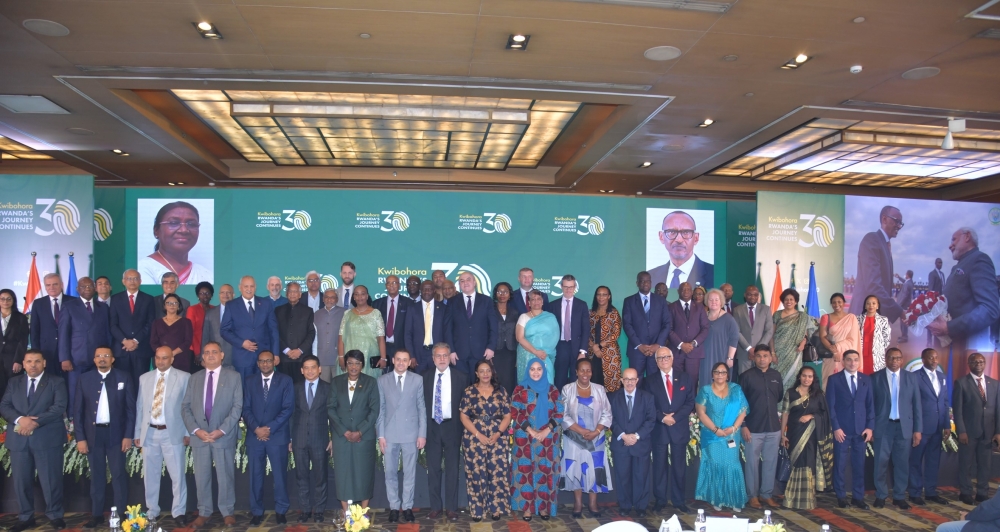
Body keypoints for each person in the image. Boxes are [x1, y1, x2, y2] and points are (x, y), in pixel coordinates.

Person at [0, 350, 68, 532]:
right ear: (23, 363)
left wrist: (34, 423)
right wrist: (20, 420)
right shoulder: (14, 382)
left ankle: (55, 514)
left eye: (37, 361)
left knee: (51, 480)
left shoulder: (56, 382)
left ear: (44, 363)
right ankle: (25, 516)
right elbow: (4, 406)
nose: (33, 365)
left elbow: (59, 406)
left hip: (47, 438)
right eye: (29, 361)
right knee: (21, 481)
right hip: (19, 440)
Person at [182, 341, 243, 527]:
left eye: (214, 352)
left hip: (223, 435)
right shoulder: (194, 378)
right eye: (206, 352)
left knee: (225, 476)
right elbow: (185, 407)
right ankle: (204, 512)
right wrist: (196, 430)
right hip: (200, 436)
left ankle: (227, 511)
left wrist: (221, 430)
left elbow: (237, 406)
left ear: (222, 355)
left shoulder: (233, 377)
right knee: (202, 477)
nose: (210, 355)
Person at [73, 346, 135, 528]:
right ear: (94, 360)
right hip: (93, 435)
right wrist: (80, 438)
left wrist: (128, 435)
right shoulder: (84, 379)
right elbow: (78, 412)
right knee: (97, 476)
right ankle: (97, 514)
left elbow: (131, 410)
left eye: (106, 356)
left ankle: (122, 513)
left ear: (112, 359)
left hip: (116, 434)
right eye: (98, 356)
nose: (102, 359)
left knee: (118, 475)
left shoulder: (123, 377)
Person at [135, 346, 191, 526]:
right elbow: (140, 408)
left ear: (172, 359)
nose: (160, 361)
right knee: (150, 475)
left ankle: (178, 511)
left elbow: (187, 408)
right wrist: (138, 432)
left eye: (165, 358)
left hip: (172, 432)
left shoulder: (183, 377)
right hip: (149, 432)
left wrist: (186, 432)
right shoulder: (145, 378)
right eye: (158, 358)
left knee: (177, 476)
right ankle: (152, 510)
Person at [929, 228, 1000, 362]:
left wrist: (950, 327)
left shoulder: (979, 259)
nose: (950, 245)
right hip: (953, 345)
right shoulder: (962, 263)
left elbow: (990, 309)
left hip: (967, 348)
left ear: (967, 236)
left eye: (954, 239)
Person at [243, 350, 294, 525]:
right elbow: (246, 408)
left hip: (277, 435)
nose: (265, 364)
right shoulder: (249, 381)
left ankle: (281, 510)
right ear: (257, 363)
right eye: (262, 361)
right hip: (255, 436)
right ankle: (256, 511)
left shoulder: (285, 381)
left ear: (274, 362)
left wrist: (269, 428)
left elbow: (288, 408)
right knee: (255, 476)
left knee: (280, 476)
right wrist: (257, 429)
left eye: (268, 361)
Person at [327, 349, 380, 513]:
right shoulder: (336, 382)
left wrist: (360, 431)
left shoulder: (371, 382)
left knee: (363, 473)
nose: (353, 367)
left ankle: (363, 512)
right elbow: (330, 408)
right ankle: (347, 512)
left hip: (363, 437)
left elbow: (374, 411)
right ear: (345, 365)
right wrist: (344, 431)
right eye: (350, 363)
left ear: (362, 365)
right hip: (341, 437)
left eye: (357, 363)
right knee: (343, 474)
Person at [376, 349, 426, 523]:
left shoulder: (417, 380)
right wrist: (380, 435)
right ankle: (394, 507)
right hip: (389, 434)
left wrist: (422, 434)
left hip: (411, 433)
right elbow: (380, 410)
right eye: (398, 359)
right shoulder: (382, 380)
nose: (401, 363)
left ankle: (407, 507)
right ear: (393, 360)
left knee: (409, 473)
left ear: (409, 362)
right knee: (390, 472)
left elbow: (421, 409)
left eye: (405, 360)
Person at [511, 358, 564, 520]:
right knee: (525, 472)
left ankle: (543, 508)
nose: (535, 372)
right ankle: (527, 508)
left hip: (548, 439)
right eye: (532, 369)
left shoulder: (553, 390)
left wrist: (547, 430)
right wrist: (531, 431)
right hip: (525, 438)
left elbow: (560, 412)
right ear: (527, 370)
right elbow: (515, 412)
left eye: (539, 369)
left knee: (545, 472)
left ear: (544, 371)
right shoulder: (520, 389)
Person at [459, 359, 511, 522]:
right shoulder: (469, 391)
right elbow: (463, 416)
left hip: (498, 437)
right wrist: (477, 434)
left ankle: (496, 508)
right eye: (481, 371)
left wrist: (497, 433)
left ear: (492, 372)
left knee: (497, 473)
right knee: (476, 473)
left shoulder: (501, 391)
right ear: (476, 374)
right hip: (474, 438)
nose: (485, 374)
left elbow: (507, 415)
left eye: (488, 370)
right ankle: (477, 509)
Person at [560, 358, 613, 518]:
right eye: (582, 370)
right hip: (574, 437)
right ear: (576, 372)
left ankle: (592, 502)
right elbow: (563, 415)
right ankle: (577, 502)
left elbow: (607, 413)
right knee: (576, 467)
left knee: (594, 469)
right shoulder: (567, 389)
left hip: (596, 438)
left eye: (588, 370)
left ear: (592, 372)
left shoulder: (599, 389)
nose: (585, 373)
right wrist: (582, 431)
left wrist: (596, 431)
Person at [871, 347, 922, 509]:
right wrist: (870, 428)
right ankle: (881, 495)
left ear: (902, 360)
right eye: (891, 358)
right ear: (886, 359)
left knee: (902, 463)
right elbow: (870, 406)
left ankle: (899, 496)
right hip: (883, 427)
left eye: (898, 358)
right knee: (880, 462)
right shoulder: (875, 378)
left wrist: (917, 430)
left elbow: (917, 406)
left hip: (904, 427)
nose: (895, 361)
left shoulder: (911, 378)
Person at [645, 347, 694, 514]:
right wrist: (662, 417)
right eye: (660, 358)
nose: (664, 360)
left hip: (678, 428)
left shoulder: (685, 378)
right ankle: (660, 500)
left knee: (679, 468)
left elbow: (690, 402)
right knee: (659, 467)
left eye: (667, 357)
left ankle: (679, 500)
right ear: (656, 362)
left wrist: (676, 417)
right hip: (659, 429)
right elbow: (648, 406)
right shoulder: (649, 381)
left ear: (672, 359)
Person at [695, 361, 749, 512]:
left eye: (723, 372)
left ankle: (734, 499)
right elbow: (701, 413)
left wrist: (733, 428)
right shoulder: (705, 390)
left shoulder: (735, 389)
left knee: (732, 464)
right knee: (716, 464)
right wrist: (715, 430)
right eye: (717, 372)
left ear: (727, 375)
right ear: (712, 375)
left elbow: (743, 410)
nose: (720, 375)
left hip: (731, 435)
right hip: (712, 436)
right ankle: (717, 498)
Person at [424, 343, 468, 521]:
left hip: (453, 426)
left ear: (450, 357)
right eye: (438, 356)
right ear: (433, 358)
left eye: (445, 356)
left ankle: (451, 508)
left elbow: (467, 407)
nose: (442, 359)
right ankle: (435, 507)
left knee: (452, 469)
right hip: (432, 426)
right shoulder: (424, 377)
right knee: (433, 469)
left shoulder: (462, 377)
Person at [780, 365, 834, 510]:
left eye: (810, 376)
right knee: (796, 463)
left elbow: (825, 415)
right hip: (794, 433)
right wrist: (782, 434)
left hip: (811, 436)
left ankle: (808, 499)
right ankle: (791, 499)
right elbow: (785, 413)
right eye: (804, 376)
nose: (806, 379)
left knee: (808, 463)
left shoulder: (818, 395)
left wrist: (812, 416)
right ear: (799, 377)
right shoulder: (791, 393)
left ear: (813, 379)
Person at [826, 350, 874, 510]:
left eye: (855, 360)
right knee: (840, 464)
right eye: (849, 360)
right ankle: (841, 496)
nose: (852, 363)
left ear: (859, 361)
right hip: (842, 431)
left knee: (858, 464)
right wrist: (836, 428)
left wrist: (870, 427)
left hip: (861, 431)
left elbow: (870, 405)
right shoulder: (834, 380)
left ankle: (858, 497)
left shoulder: (866, 380)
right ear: (843, 362)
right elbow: (830, 407)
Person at [739, 345, 784, 509]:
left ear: (770, 358)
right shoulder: (746, 376)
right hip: (753, 428)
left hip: (773, 428)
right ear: (754, 358)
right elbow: (740, 403)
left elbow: (778, 397)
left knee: (771, 463)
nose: (762, 359)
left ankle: (767, 495)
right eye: (759, 356)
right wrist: (743, 425)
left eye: (766, 356)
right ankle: (753, 496)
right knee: (752, 463)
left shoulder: (776, 376)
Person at [58, 277, 111, 415]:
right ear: (77, 289)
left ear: (95, 288)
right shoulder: (69, 306)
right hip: (76, 359)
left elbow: (107, 333)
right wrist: (64, 358)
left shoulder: (103, 307)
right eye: (83, 286)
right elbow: (63, 334)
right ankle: (72, 425)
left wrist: (110, 357)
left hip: (99, 360)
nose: (87, 289)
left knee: (96, 393)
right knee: (75, 393)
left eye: (89, 286)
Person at [953, 352, 1000, 505]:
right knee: (966, 464)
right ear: (969, 364)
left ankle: (982, 493)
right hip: (969, 432)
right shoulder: (961, 383)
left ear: (985, 363)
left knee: (985, 465)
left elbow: (998, 409)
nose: (978, 364)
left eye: (981, 361)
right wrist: (961, 431)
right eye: (975, 362)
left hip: (988, 433)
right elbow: (957, 410)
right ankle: (965, 492)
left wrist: (998, 432)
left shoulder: (994, 383)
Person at [609, 368, 655, 517]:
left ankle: (641, 506)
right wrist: (623, 435)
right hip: (621, 443)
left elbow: (651, 419)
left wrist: (636, 436)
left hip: (640, 444)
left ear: (637, 380)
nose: (629, 382)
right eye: (626, 379)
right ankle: (625, 505)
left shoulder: (647, 397)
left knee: (641, 476)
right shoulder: (613, 397)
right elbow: (610, 418)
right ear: (622, 380)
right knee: (622, 476)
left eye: (632, 379)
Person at [847, 205, 905, 323]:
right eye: (897, 221)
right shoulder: (872, 240)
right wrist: (898, 311)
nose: (899, 226)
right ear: (884, 219)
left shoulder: (885, 245)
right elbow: (873, 285)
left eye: (901, 223)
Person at [291, 355, 331, 523]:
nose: (310, 371)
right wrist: (290, 438)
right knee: (301, 476)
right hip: (299, 439)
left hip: (320, 438)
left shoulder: (329, 388)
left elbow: (334, 415)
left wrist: (332, 438)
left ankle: (320, 510)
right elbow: (290, 415)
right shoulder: (295, 388)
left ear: (319, 369)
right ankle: (306, 509)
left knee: (320, 476)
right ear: (301, 370)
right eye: (306, 368)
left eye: (313, 367)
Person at [909, 348, 951, 505]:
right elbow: (912, 404)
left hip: (938, 427)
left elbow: (945, 402)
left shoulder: (942, 377)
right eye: (930, 358)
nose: (934, 360)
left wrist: (946, 425)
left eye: (936, 357)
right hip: (921, 428)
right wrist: (916, 429)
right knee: (916, 461)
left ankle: (931, 492)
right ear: (923, 359)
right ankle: (915, 492)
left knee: (933, 461)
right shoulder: (914, 377)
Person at [138, 201, 212, 285]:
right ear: (156, 231)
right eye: (173, 223)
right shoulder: (141, 270)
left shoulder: (206, 275)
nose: (184, 230)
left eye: (191, 224)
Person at [220, 275, 280, 379]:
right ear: (240, 287)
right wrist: (241, 343)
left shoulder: (266, 304)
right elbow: (224, 330)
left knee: (263, 390)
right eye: (246, 286)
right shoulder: (231, 305)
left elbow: (273, 330)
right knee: (244, 390)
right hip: (242, 357)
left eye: (251, 286)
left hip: (264, 356)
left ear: (255, 287)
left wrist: (275, 353)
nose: (249, 289)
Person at [446, 272, 498, 379]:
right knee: (460, 387)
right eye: (462, 281)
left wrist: (491, 347)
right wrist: (451, 350)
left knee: (479, 387)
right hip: (459, 354)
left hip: (481, 352)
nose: (465, 283)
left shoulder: (486, 301)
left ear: (474, 282)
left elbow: (493, 326)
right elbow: (447, 328)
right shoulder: (452, 302)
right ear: (459, 285)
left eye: (468, 279)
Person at [622, 271, 671, 381]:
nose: (645, 283)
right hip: (637, 350)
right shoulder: (629, 301)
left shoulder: (660, 301)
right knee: (635, 381)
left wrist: (657, 345)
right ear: (637, 283)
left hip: (656, 350)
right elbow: (627, 325)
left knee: (655, 381)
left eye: (648, 281)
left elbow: (666, 324)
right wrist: (639, 345)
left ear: (651, 283)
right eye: (642, 281)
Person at [110, 270, 155, 385]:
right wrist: (125, 341)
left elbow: (150, 323)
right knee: (121, 384)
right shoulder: (115, 299)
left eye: (135, 278)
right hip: (121, 349)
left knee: (140, 383)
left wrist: (135, 341)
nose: (132, 281)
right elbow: (113, 324)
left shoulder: (149, 299)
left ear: (140, 281)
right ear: (123, 281)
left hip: (141, 349)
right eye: (129, 278)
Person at [648, 211, 714, 289]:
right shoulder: (650, 276)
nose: (679, 240)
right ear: (661, 237)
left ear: (696, 238)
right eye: (672, 232)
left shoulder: (713, 273)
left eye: (686, 232)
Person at [547, 274, 592, 388]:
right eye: (566, 286)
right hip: (559, 346)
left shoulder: (582, 305)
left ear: (575, 287)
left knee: (575, 378)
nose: (568, 290)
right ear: (561, 286)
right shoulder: (553, 305)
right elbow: (550, 330)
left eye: (571, 287)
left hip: (577, 346)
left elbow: (585, 329)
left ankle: (574, 404)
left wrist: (583, 352)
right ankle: (558, 403)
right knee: (559, 378)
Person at [771, 288, 817, 389]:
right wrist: (773, 353)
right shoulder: (777, 314)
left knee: (792, 380)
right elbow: (771, 335)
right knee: (776, 380)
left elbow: (806, 334)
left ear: (796, 301)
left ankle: (789, 404)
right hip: (778, 353)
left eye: (791, 299)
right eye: (786, 299)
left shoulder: (802, 316)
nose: (789, 302)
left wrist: (803, 343)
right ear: (783, 301)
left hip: (794, 353)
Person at [338, 285, 386, 379]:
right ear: (354, 297)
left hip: (369, 355)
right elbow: (341, 337)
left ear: (367, 296)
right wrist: (340, 357)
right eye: (357, 294)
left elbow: (381, 338)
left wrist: (383, 358)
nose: (360, 297)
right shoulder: (347, 314)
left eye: (362, 294)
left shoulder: (376, 313)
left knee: (368, 384)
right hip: (350, 356)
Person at [668, 282, 709, 387]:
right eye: (683, 289)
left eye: (688, 289)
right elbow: (668, 329)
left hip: (694, 352)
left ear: (692, 292)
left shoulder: (700, 308)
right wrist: (681, 344)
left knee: (692, 383)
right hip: (677, 352)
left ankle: (691, 404)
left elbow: (705, 328)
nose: (686, 291)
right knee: (676, 382)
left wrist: (693, 343)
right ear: (678, 291)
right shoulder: (671, 307)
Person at [405, 280, 449, 376]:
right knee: (419, 382)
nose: (427, 292)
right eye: (424, 289)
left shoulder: (443, 308)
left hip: (438, 353)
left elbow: (447, 333)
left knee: (436, 380)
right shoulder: (412, 308)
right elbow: (408, 333)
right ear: (421, 291)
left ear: (434, 291)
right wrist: (411, 355)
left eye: (429, 289)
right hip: (418, 353)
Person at [516, 290, 559, 384]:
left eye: (539, 299)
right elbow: (520, 338)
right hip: (527, 355)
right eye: (533, 299)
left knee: (546, 382)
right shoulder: (523, 317)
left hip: (545, 355)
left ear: (542, 301)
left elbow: (555, 336)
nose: (536, 301)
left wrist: (544, 353)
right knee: (528, 385)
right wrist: (535, 352)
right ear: (529, 303)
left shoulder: (550, 317)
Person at [275, 282, 315, 383]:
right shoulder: (278, 311)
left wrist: (300, 350)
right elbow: (275, 333)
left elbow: (311, 333)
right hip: (284, 358)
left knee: (301, 389)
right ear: (286, 293)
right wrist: (286, 350)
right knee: (284, 387)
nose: (292, 294)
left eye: (295, 291)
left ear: (300, 294)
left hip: (302, 358)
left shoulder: (308, 311)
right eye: (290, 291)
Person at [818, 293, 860, 389]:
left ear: (844, 303)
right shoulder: (826, 317)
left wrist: (839, 348)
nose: (837, 304)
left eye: (839, 302)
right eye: (834, 302)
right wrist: (835, 351)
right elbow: (822, 337)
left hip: (848, 357)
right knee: (829, 383)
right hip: (831, 355)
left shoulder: (851, 318)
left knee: (846, 385)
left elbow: (853, 339)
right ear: (831, 304)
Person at [30, 273, 68, 376]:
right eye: (48, 285)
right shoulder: (38, 303)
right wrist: (36, 355)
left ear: (62, 285)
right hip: (46, 352)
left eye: (55, 284)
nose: (51, 287)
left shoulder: (72, 301)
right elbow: (34, 330)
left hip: (68, 353)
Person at [589, 285, 623, 392]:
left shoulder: (613, 313)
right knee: (593, 385)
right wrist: (593, 347)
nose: (601, 297)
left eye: (604, 294)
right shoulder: (590, 313)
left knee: (611, 386)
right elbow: (585, 332)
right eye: (599, 294)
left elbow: (616, 333)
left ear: (609, 296)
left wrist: (599, 346)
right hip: (593, 355)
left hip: (610, 355)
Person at [374, 275, 412, 369]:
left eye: (394, 283)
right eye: (388, 283)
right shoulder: (377, 304)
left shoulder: (409, 303)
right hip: (382, 348)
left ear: (399, 285)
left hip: (401, 348)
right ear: (385, 286)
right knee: (383, 378)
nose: (391, 285)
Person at [733, 286, 773, 375]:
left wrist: (758, 350)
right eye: (750, 294)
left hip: (762, 353)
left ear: (758, 296)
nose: (752, 297)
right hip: (744, 353)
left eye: (755, 295)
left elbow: (769, 330)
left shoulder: (766, 309)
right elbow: (736, 331)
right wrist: (749, 348)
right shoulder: (737, 310)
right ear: (745, 295)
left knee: (761, 380)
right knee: (744, 380)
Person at [703, 288, 739, 385]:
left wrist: (730, 358)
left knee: (720, 384)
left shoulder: (729, 319)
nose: (713, 302)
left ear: (721, 302)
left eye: (716, 299)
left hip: (721, 356)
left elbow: (734, 338)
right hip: (704, 359)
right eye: (710, 299)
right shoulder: (702, 317)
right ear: (707, 301)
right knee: (706, 384)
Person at [151, 293, 195, 372]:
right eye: (169, 303)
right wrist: (164, 355)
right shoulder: (157, 323)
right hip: (161, 360)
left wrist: (172, 353)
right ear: (164, 306)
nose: (172, 305)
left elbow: (188, 341)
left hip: (180, 358)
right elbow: (153, 342)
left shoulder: (186, 322)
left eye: (175, 303)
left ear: (178, 306)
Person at [0, 288, 29, 399]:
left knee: (12, 388)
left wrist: (18, 360)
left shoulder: (20, 318)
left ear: (13, 300)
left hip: (13, 359)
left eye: (8, 299)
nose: (5, 301)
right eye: (2, 299)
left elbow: (23, 341)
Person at [492, 282, 520, 394]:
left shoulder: (515, 312)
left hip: (510, 352)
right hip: (494, 351)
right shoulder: (490, 310)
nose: (502, 294)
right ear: (495, 294)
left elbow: (518, 334)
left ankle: (507, 408)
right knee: (495, 380)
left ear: (509, 294)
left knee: (508, 381)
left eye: (505, 292)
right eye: (499, 291)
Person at [314, 288, 346, 382]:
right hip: (321, 358)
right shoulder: (316, 314)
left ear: (337, 299)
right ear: (323, 299)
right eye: (327, 297)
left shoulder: (345, 313)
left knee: (340, 388)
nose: (329, 300)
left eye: (332, 297)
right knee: (324, 388)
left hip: (338, 358)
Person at [201, 283, 233, 368]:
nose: (225, 295)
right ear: (219, 295)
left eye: (228, 292)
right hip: (214, 357)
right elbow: (205, 336)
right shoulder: (210, 313)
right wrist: (203, 357)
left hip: (234, 358)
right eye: (222, 292)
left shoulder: (240, 312)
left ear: (233, 295)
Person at [857, 294, 891, 374]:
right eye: (868, 303)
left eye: (873, 303)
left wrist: (878, 348)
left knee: (876, 377)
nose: (871, 305)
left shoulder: (883, 320)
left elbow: (887, 339)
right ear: (865, 306)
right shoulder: (858, 319)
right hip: (861, 353)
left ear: (877, 306)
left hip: (877, 354)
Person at [186, 281, 214, 360]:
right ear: (198, 295)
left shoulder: (215, 309)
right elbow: (190, 332)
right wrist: (198, 352)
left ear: (211, 295)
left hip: (212, 350)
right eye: (201, 293)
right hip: (195, 351)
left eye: (207, 293)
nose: (205, 295)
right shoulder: (192, 309)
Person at [927, 258, 945, 348]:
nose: (940, 264)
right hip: (934, 301)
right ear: (935, 263)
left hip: (940, 301)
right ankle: (929, 341)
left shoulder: (942, 274)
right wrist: (931, 300)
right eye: (939, 262)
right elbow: (931, 288)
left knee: (939, 320)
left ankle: (937, 341)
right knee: (931, 320)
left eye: (941, 263)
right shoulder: (932, 274)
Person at [895, 270, 915, 343]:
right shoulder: (909, 282)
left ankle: (904, 337)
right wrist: (899, 277)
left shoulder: (907, 284)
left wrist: (899, 304)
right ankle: (903, 335)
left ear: (907, 275)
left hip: (904, 305)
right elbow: (905, 281)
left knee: (903, 321)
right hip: (906, 304)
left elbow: (905, 295)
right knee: (903, 321)